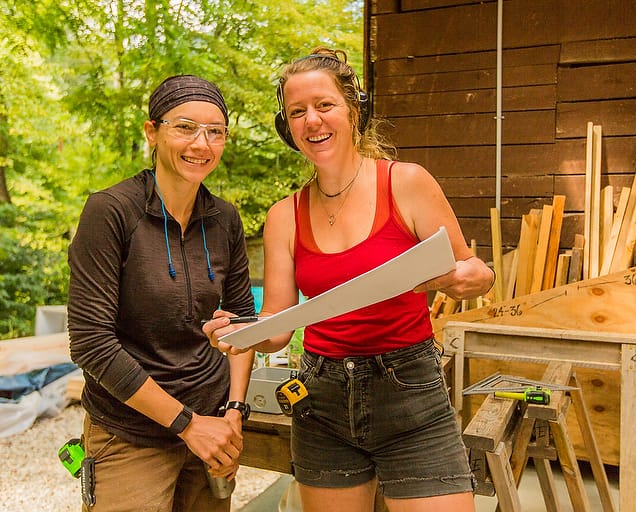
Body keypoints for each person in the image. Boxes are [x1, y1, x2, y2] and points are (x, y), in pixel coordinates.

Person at [207, 47, 494, 511]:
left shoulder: (407, 183)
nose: (312, 121)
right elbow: (278, 327)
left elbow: (470, 271)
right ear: (288, 128)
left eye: (324, 105)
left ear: (353, 110)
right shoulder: (285, 216)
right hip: (322, 401)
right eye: (297, 112)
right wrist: (246, 332)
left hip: (411, 394)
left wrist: (476, 276)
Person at [67, 74, 255, 511]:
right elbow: (91, 344)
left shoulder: (224, 219)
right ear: (152, 132)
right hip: (130, 431)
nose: (201, 144)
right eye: (185, 127)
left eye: (216, 131)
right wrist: (187, 425)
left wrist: (233, 412)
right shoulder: (110, 212)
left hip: (211, 426)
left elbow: (244, 323)